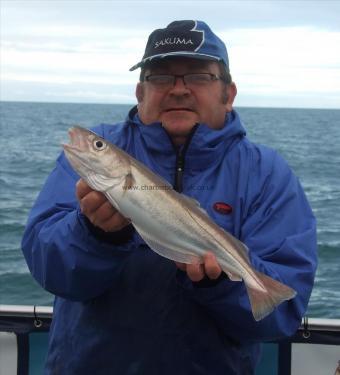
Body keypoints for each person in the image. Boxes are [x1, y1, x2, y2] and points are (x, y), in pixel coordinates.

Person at [22, 20, 317, 374]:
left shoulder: (266, 173)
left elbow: (279, 316)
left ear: (229, 93)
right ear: (140, 92)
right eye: (160, 76)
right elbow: (48, 267)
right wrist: (96, 235)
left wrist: (220, 284)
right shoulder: (92, 164)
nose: (178, 90)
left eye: (198, 75)